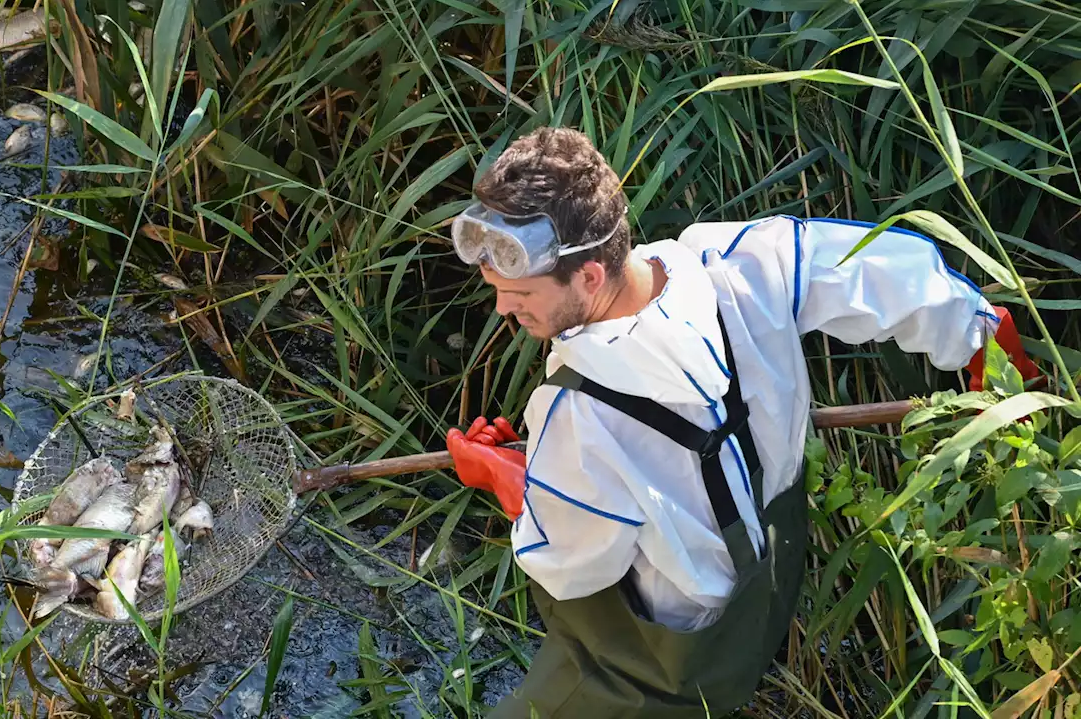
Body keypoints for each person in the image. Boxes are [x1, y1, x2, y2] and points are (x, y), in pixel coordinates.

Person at [442, 127, 1042, 718]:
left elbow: (570, 567)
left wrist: (509, 478)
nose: (502, 307)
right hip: (773, 587)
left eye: (520, 293)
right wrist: (987, 339)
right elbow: (887, 274)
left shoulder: (575, 413)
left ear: (589, 276)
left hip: (665, 662)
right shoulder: (742, 264)